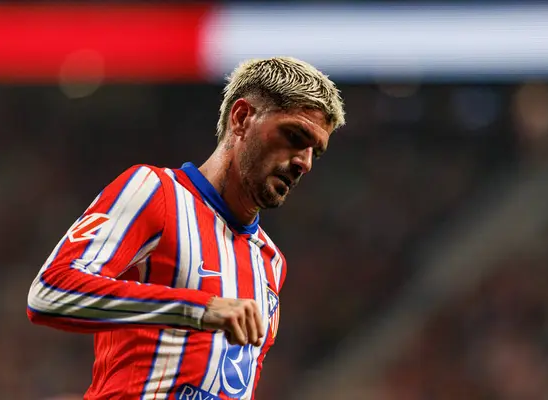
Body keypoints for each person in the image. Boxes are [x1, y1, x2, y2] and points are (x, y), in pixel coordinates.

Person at [26, 56, 346, 400]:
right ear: (241, 118)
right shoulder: (155, 192)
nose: (304, 162)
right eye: (294, 136)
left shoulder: (272, 262)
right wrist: (198, 309)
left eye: (316, 151)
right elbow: (50, 293)